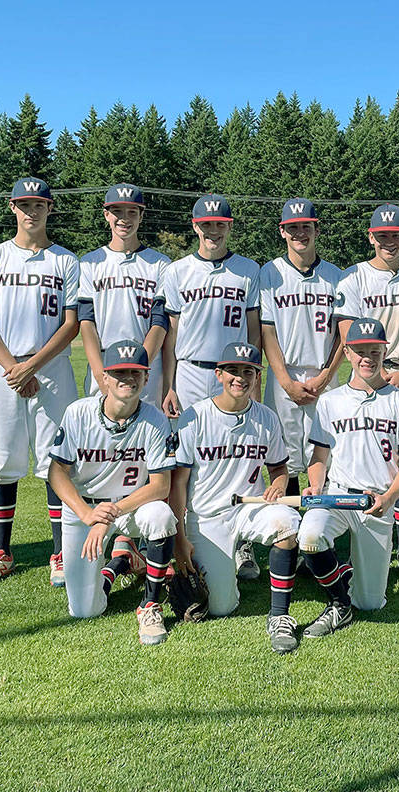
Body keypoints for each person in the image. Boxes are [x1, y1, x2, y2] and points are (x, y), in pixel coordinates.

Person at [0, 177, 80, 589]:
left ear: (50, 208)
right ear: (12, 207)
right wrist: (14, 367)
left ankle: (60, 553)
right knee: (3, 461)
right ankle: (0, 553)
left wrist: (31, 365)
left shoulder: (67, 261)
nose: (32, 211)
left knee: (55, 462)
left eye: (40, 204)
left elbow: (71, 325)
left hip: (50, 370)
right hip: (2, 370)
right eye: (24, 204)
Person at [169, 342, 304, 654]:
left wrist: (280, 485)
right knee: (220, 607)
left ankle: (279, 614)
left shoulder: (267, 417)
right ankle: (223, 567)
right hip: (207, 516)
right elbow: (177, 485)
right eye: (233, 370)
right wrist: (179, 540)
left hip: (250, 507)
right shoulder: (195, 417)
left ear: (257, 376)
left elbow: (279, 468)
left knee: (287, 522)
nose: (240, 377)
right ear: (219, 374)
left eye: (249, 371)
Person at [296, 318, 399, 638]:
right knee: (311, 535)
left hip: (376, 502)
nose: (367, 357)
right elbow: (319, 458)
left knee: (370, 603)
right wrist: (315, 484)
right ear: (348, 353)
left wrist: (390, 499)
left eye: (374, 350)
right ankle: (339, 604)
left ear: (384, 352)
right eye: (359, 351)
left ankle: (349, 572)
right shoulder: (330, 401)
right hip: (338, 495)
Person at [47, 340, 177, 646]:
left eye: (135, 372)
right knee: (85, 610)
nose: (127, 379)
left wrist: (109, 515)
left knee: (161, 516)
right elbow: (57, 473)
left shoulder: (155, 420)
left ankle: (150, 605)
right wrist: (88, 514)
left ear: (146, 378)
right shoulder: (78, 413)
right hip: (85, 509)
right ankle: (120, 563)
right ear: (104, 377)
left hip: (130, 508)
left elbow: (161, 486)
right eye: (119, 373)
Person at [160, 193, 262, 581]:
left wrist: (255, 377)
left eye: (220, 223)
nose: (213, 230)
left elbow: (253, 330)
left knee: (239, 454)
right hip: (189, 371)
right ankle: (181, 535)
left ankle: (244, 543)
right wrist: (168, 385)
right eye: (206, 224)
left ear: (229, 226)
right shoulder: (177, 271)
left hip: (235, 372)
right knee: (187, 460)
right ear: (195, 225)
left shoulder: (248, 269)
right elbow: (170, 335)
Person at [334, 204, 399, 580]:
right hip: (369, 375)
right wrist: (375, 373)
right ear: (371, 236)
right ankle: (359, 536)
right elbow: (348, 333)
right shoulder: (354, 278)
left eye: (396, 234)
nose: (389, 241)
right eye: (382, 235)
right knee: (374, 455)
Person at [257, 198, 344, 499]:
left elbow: (342, 336)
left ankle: (324, 524)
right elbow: (267, 331)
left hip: (324, 373)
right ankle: (291, 523)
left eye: (305, 227)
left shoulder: (336, 276)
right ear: (282, 232)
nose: (299, 234)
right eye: (292, 228)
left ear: (316, 229)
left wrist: (325, 376)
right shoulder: (270, 273)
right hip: (285, 375)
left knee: (326, 451)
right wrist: (285, 382)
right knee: (285, 454)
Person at [77, 183, 171, 405]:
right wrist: (102, 377)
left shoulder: (160, 264)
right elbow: (86, 322)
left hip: (146, 367)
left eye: (131, 211)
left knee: (146, 436)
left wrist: (139, 368)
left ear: (141, 215)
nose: (124, 218)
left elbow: (160, 322)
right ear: (106, 214)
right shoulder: (90, 262)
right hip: (104, 363)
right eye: (117, 211)